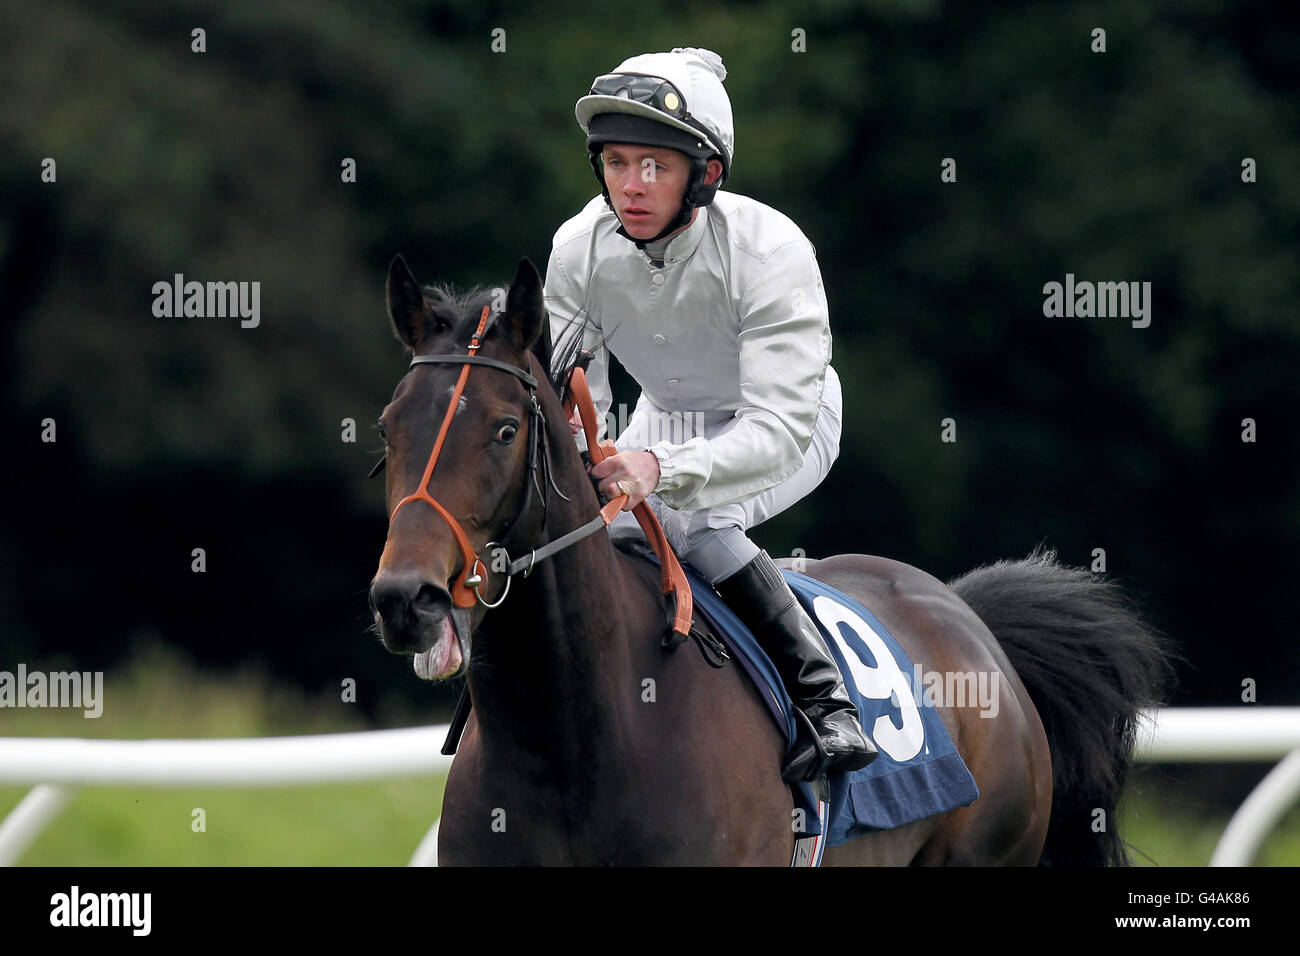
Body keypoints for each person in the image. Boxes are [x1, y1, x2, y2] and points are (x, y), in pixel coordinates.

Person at [544, 47, 877, 781]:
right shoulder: (577, 249)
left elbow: (777, 429)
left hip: (789, 423)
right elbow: (579, 399)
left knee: (692, 519)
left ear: (707, 174)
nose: (631, 186)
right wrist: (578, 467)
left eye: (655, 166)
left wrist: (660, 469)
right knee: (582, 532)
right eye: (617, 162)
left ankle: (825, 700)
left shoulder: (771, 251)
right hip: (665, 417)